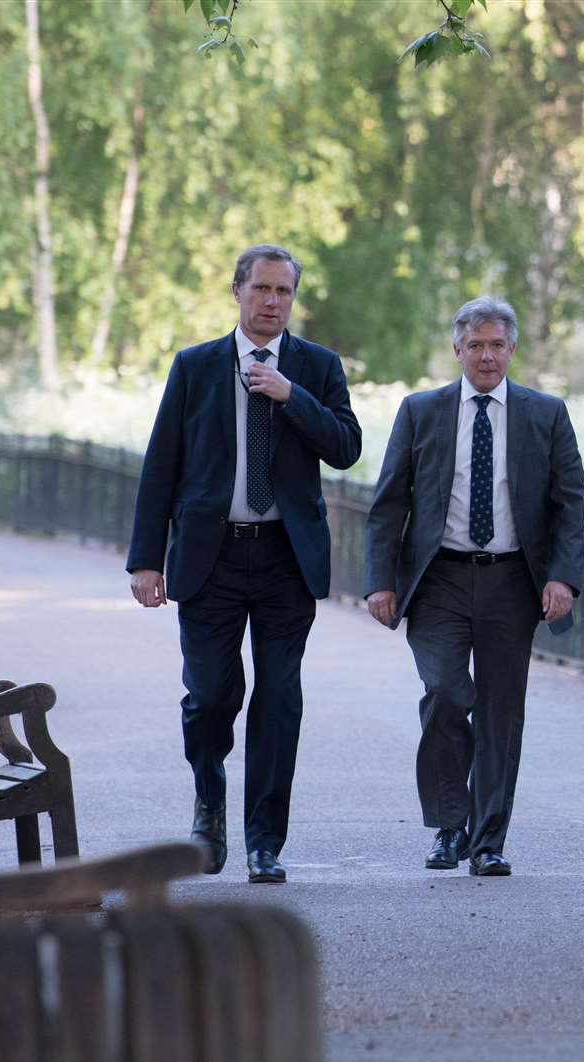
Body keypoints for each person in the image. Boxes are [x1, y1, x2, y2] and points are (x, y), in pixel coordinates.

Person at [126, 244, 361, 884]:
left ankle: (265, 843)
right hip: (212, 556)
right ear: (238, 291)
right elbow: (161, 465)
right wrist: (147, 561)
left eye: (284, 292)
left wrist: (292, 397)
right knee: (209, 698)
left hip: (287, 557)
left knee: (279, 699)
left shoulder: (316, 366)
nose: (272, 302)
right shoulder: (196, 366)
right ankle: (210, 801)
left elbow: (346, 447)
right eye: (261, 289)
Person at [363, 296, 584, 877]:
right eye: (475, 345)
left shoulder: (546, 413)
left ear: (512, 349)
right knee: (444, 693)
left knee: (499, 712)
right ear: (457, 350)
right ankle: (448, 826)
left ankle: (488, 841)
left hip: (512, 581)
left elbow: (570, 503)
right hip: (439, 580)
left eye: (496, 345)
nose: (486, 356)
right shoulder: (421, 411)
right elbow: (389, 503)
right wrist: (379, 583)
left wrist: (562, 577)